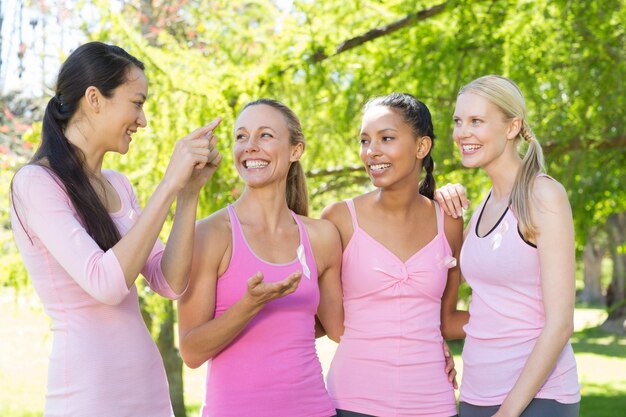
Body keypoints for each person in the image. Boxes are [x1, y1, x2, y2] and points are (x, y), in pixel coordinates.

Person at [9, 41, 222, 417]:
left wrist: (188, 195)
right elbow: (105, 282)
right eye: (137, 103)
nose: (142, 120)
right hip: (89, 395)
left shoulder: (119, 184)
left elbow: (169, 282)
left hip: (147, 387)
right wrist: (168, 185)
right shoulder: (36, 183)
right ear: (94, 99)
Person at [177, 98, 344, 417]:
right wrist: (250, 305)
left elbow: (338, 328)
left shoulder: (321, 237)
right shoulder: (211, 234)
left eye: (265, 135)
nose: (250, 146)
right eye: (241, 136)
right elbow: (191, 351)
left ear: (296, 150)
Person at [322, 93, 467, 417]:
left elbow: (446, 320)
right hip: (353, 402)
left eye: (386, 138)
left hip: (434, 403)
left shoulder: (450, 222)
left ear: (421, 147)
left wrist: (528, 325)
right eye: (364, 140)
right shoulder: (338, 219)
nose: (371, 151)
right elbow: (330, 324)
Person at [450, 75, 580, 417]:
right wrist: (439, 202)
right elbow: (442, 280)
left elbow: (561, 323)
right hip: (477, 393)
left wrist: (508, 411)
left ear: (512, 128)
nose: (463, 132)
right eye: (458, 121)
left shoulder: (543, 196)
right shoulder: (483, 207)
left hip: (537, 398)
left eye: (476, 121)